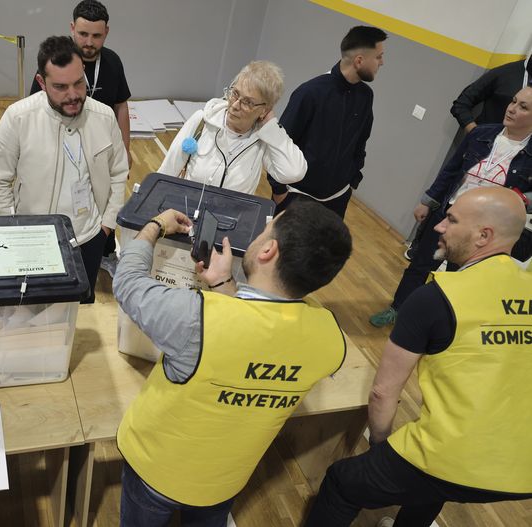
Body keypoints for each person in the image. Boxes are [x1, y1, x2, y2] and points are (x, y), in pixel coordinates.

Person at [113, 201, 352, 526]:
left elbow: (127, 282)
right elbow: (262, 338)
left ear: (268, 250)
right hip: (224, 481)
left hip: (156, 471)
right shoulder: (330, 338)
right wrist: (223, 285)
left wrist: (156, 224)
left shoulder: (194, 317)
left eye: (266, 229)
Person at [306, 186, 532, 527]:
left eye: (452, 220)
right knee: (429, 482)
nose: (439, 226)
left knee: (343, 482)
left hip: (453, 459)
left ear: (483, 236)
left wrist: (382, 448)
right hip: (522, 473)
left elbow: (383, 392)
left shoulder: (436, 298)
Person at [370, 86, 532, 327]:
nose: (512, 109)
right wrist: (428, 201)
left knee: (459, 278)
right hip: (450, 214)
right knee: (420, 265)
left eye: (523, 107)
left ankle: (438, 323)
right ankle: (398, 308)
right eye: (513, 101)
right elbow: (451, 171)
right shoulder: (480, 134)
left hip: (483, 232)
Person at [0, 36, 128, 304]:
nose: (73, 94)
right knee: (35, 312)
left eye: (78, 83)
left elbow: (119, 173)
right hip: (35, 241)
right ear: (41, 83)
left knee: (80, 309)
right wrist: (14, 232)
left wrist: (106, 227)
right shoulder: (18, 118)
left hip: (90, 237)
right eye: (60, 87)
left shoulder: (105, 116)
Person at [29, 0, 132, 276]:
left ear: (106, 33)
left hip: (99, 149)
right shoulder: (55, 63)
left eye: (96, 36)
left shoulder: (112, 63)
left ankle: (103, 251)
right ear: (72, 28)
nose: (88, 42)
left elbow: (121, 105)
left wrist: (125, 147)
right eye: (83, 34)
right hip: (64, 152)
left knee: (104, 198)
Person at [270, 26, 387, 218]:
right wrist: (279, 191)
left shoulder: (366, 96)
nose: (382, 63)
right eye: (379, 57)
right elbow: (280, 144)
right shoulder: (309, 93)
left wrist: (352, 180)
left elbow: (361, 142)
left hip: (337, 200)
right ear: (359, 60)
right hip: (296, 197)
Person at [157, 61, 306, 195]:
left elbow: (293, 172)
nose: (235, 105)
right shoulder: (202, 120)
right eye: (235, 93)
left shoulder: (263, 141)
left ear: (264, 110)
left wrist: (272, 126)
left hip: (230, 222)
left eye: (247, 102)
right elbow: (167, 171)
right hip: (185, 216)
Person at [451, 54, 532, 132]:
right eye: (514, 101)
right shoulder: (505, 73)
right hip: (484, 142)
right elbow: (461, 104)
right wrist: (475, 134)